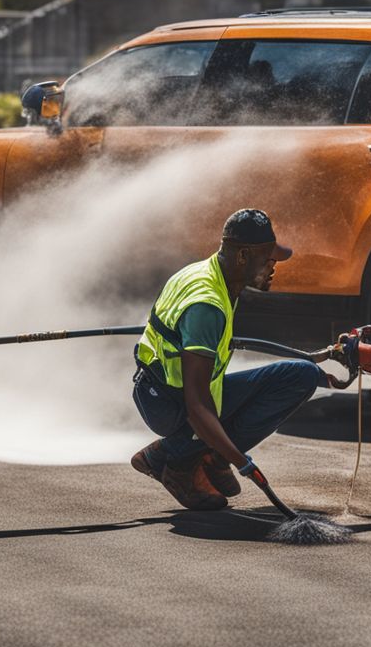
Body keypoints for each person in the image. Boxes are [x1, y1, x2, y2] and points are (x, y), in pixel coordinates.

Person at [130, 209, 328, 510]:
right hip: (167, 402)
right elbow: (197, 408)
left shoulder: (213, 274)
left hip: (172, 391)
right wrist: (241, 461)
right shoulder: (206, 306)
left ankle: (206, 458)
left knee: (302, 375)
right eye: (268, 259)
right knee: (210, 419)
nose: (274, 266)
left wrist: (322, 363)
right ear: (242, 256)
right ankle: (177, 466)